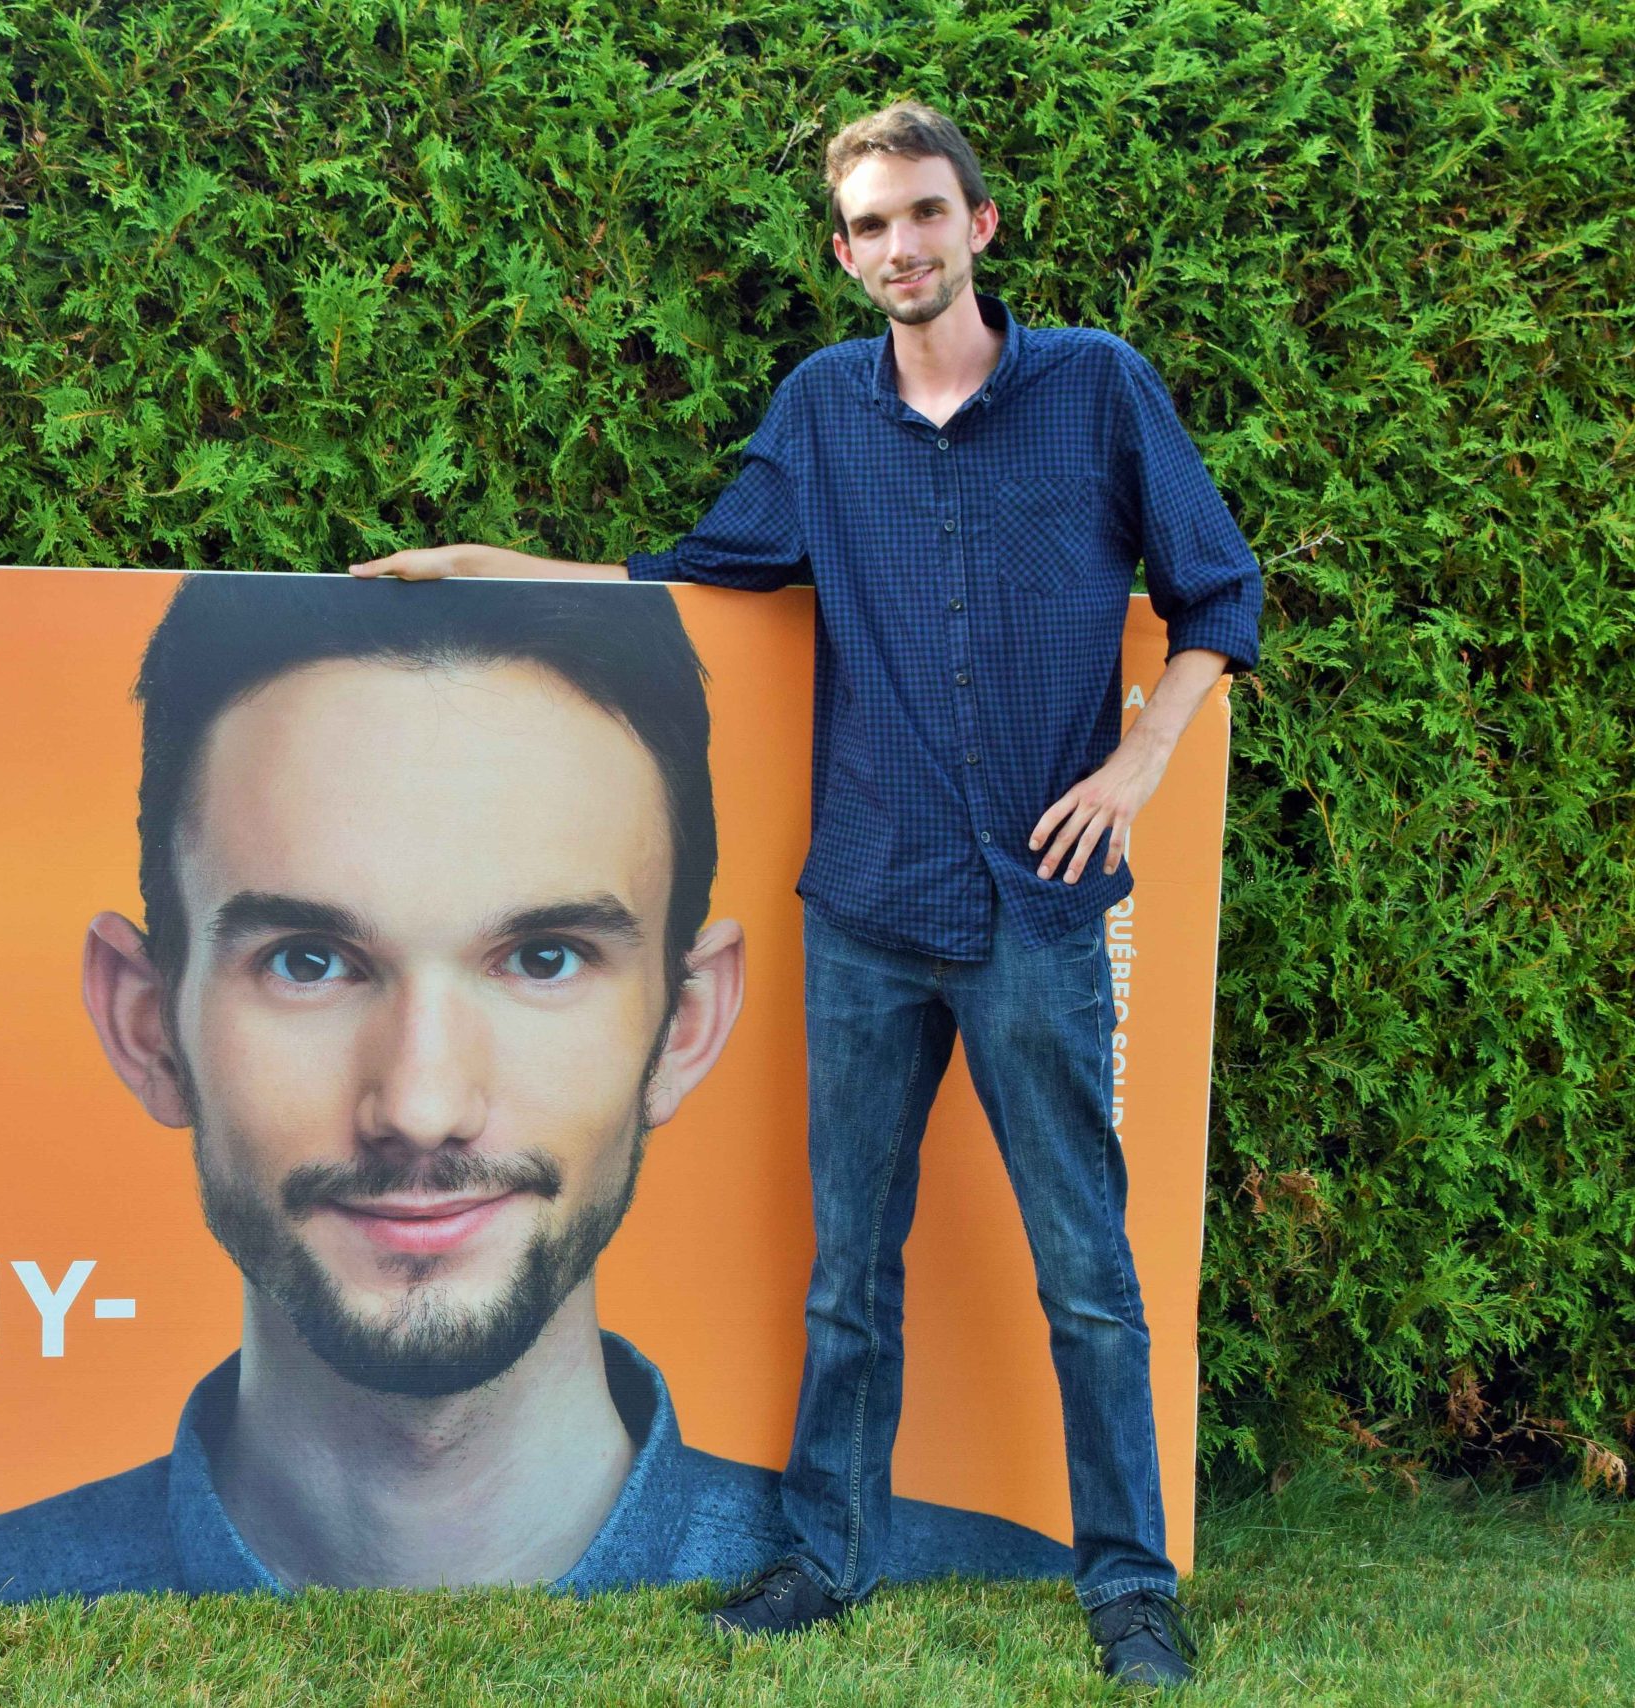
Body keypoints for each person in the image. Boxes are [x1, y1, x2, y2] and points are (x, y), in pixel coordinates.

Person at [349, 101, 1259, 1689]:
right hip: (866, 909)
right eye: (870, 227)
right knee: (852, 1268)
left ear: (980, 224)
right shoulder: (824, 409)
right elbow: (698, 576)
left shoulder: (1098, 388)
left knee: (1089, 1277)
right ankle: (822, 1559)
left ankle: (1128, 1592)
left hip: (1040, 915)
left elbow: (1217, 594)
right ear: (843, 257)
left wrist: (1140, 762)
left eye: (924, 213)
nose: (900, 246)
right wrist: (486, 564)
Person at [0, 572, 1069, 1626]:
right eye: (311, 962)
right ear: (144, 1019)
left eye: (543, 958)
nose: (424, 1105)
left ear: (687, 1021)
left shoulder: (1005, 1614)